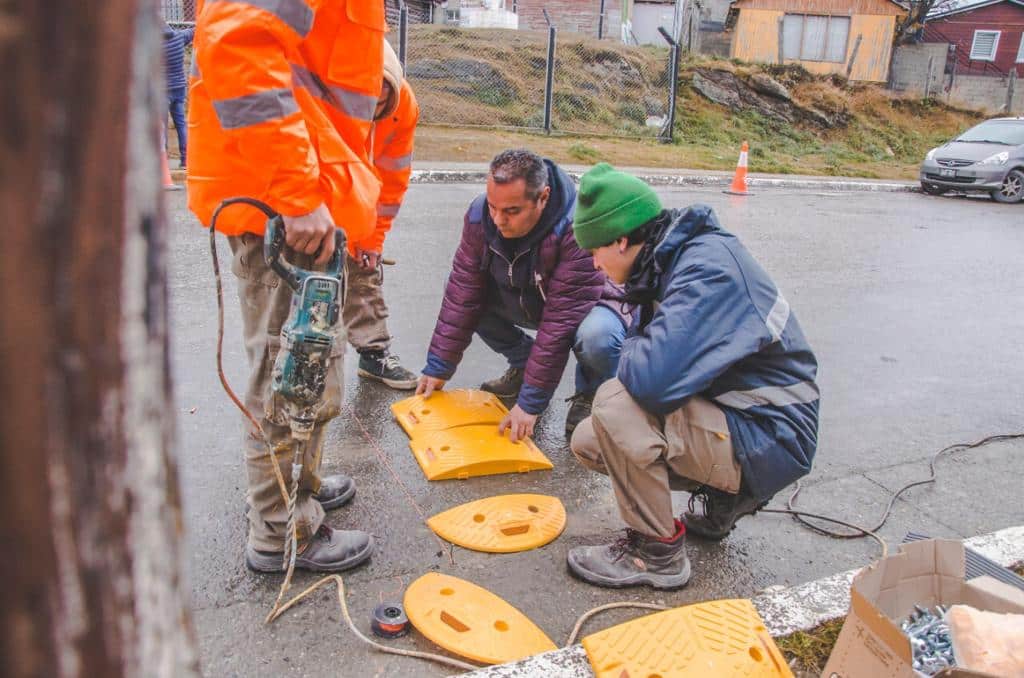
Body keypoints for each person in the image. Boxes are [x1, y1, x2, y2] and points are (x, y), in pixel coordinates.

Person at [187, 0, 386, 574]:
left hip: (311, 210)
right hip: (283, 209)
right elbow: (237, 44)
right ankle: (280, 533)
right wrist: (297, 195)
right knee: (287, 373)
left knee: (313, 364)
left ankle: (304, 488)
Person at [565, 164, 820, 590]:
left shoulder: (705, 270)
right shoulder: (670, 260)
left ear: (622, 239)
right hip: (744, 418)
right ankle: (727, 495)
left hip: (773, 432)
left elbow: (649, 382)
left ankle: (656, 553)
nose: (594, 264)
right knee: (591, 441)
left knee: (615, 403)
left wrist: (633, 343)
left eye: (594, 251)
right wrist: (641, 342)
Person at [417, 149, 627, 439]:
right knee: (464, 295)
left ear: (543, 197)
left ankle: (592, 393)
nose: (499, 219)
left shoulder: (576, 229)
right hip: (530, 297)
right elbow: (463, 291)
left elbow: (558, 324)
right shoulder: (481, 216)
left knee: (597, 338)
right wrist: (439, 366)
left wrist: (530, 405)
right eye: (493, 207)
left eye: (512, 211)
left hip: (589, 306)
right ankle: (523, 363)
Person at [344, 41, 419, 390]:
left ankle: (373, 355)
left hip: (361, 199)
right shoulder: (333, 93)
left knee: (364, 269)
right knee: (309, 281)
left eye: (378, 105)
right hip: (317, 196)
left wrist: (373, 240)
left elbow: (392, 180)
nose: (370, 114)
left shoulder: (405, 107)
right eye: (364, 105)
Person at [162, 22, 193, 168]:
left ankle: (164, 161)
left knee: (162, 127)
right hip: (180, 88)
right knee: (181, 124)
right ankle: (185, 159)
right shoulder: (179, 37)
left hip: (163, 89)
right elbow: (195, 31)